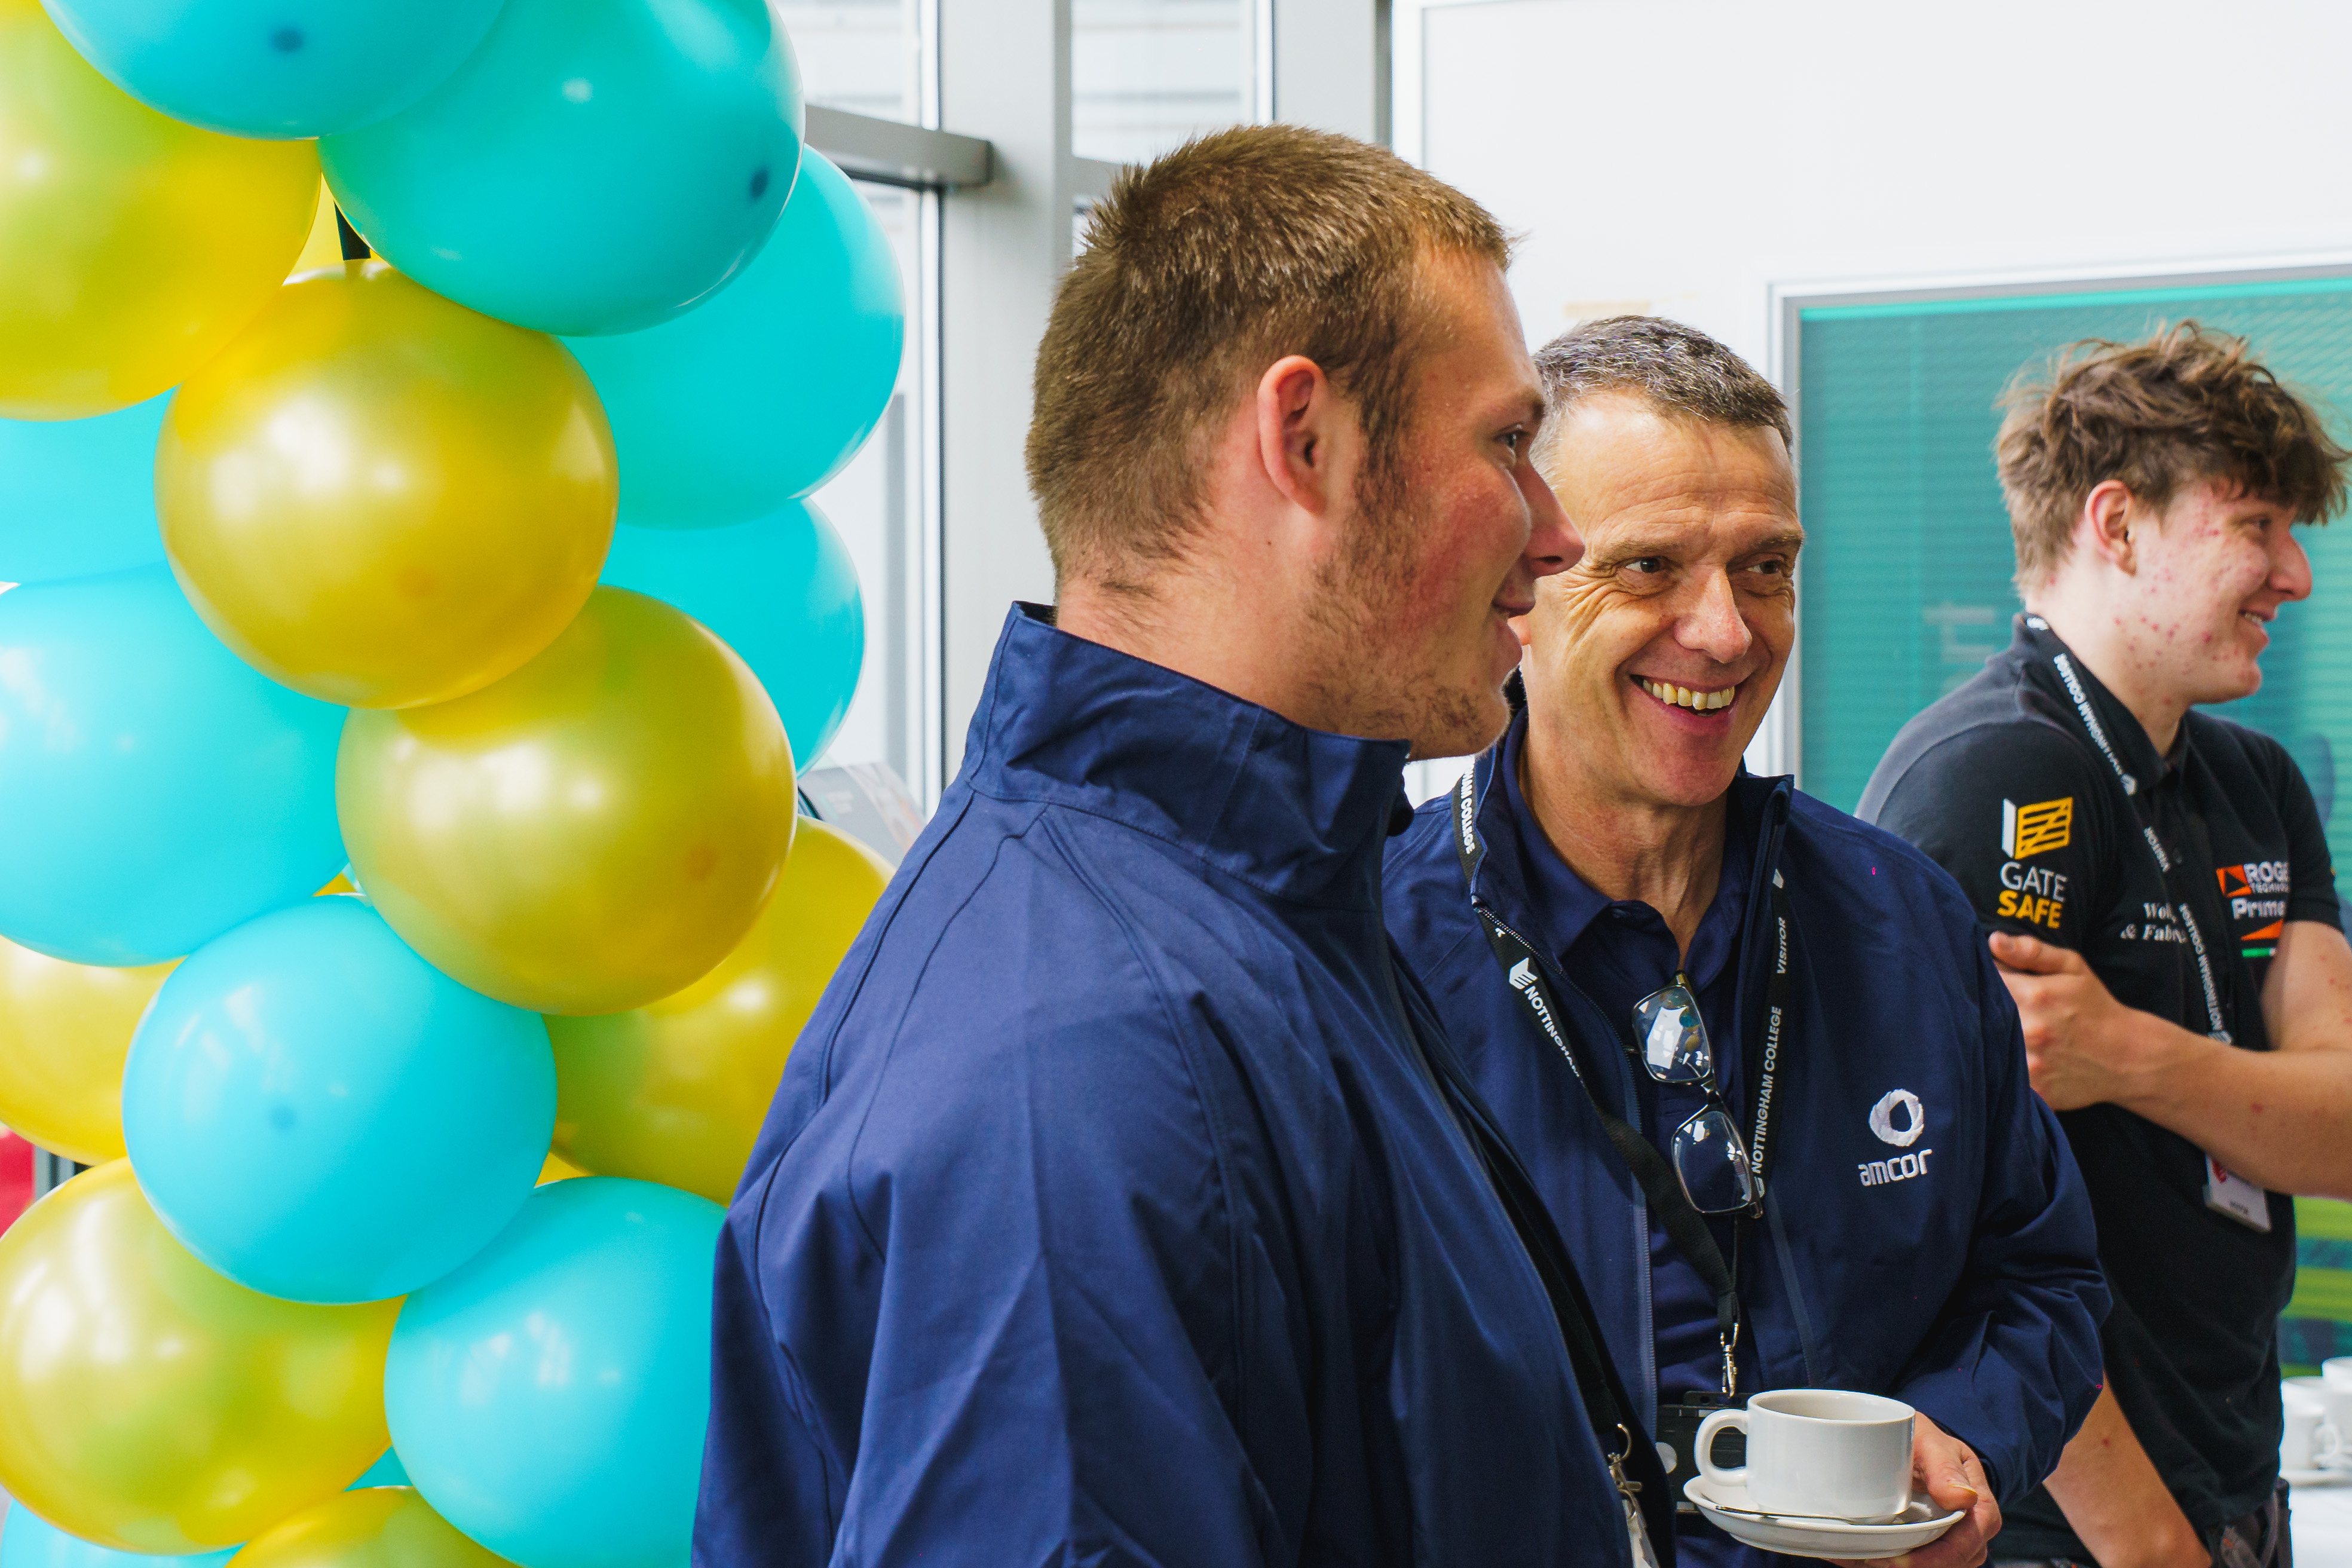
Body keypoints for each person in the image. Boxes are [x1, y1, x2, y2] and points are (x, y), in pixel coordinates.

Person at [697, 126, 1675, 1568]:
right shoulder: (1086, 1058)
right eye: (1510, 444)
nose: (1555, 534)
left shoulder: (1254, 907)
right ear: (1306, 440)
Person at [1384, 316, 2109, 1568]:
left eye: (1765, 567)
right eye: (1652, 565)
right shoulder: (1373, 954)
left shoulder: (1901, 918)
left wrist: (1964, 1434)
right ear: (1523, 581)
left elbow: (2044, 1280)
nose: (1726, 632)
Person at [1861, 322, 2352, 1568]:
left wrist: (2129, 1052)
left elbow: (2342, 1129)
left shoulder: (2257, 782)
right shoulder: (1992, 777)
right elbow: (1945, 1224)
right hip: (2063, 1523)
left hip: (2237, 1482)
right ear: (2117, 524)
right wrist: (2146, 1547)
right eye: (2257, 527)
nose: (2295, 574)